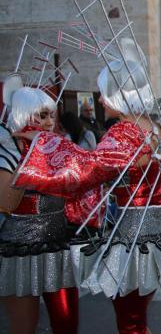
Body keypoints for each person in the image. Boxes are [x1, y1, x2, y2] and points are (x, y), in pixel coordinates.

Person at [13, 39, 161, 334]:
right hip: (158, 226)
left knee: (130, 320)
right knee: (136, 316)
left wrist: (43, 144)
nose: (101, 101)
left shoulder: (123, 132)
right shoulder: (153, 127)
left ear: (118, 96)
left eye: (105, 95)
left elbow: (85, 171)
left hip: (133, 230)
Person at [0, 87, 79, 334]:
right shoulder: (9, 149)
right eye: (42, 115)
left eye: (51, 115)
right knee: (24, 328)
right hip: (20, 251)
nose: (49, 122)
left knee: (66, 324)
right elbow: (6, 202)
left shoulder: (58, 147)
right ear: (24, 116)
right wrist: (31, 155)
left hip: (57, 246)